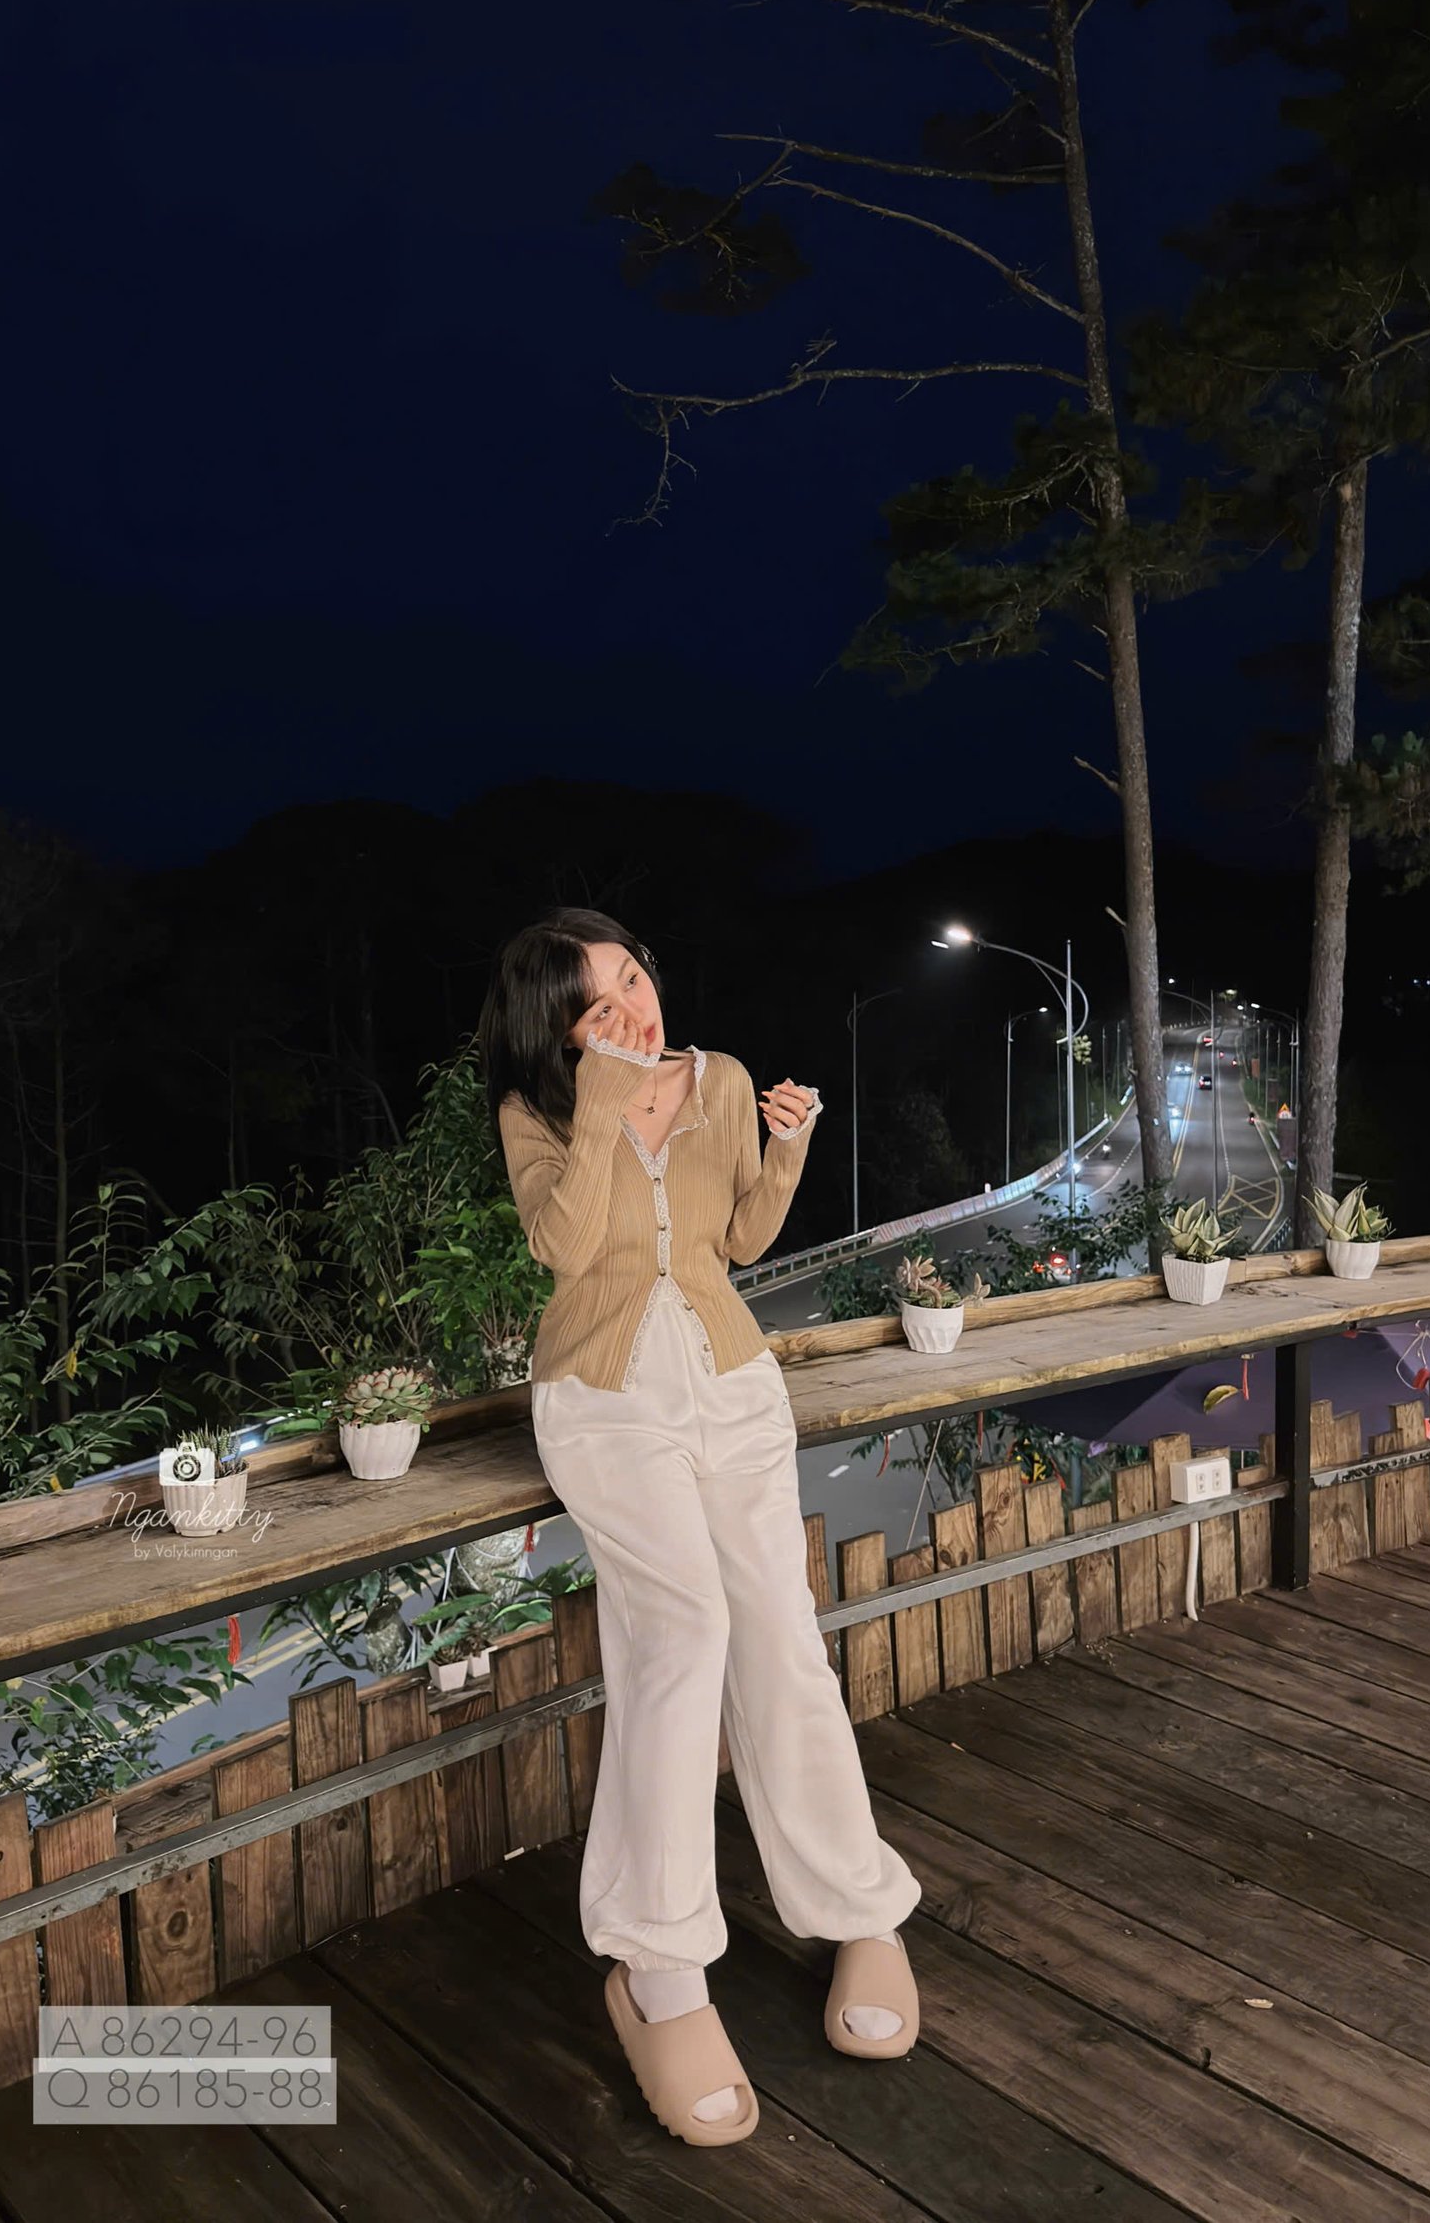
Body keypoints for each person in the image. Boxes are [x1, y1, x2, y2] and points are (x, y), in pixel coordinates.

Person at [477, 908, 922, 2148]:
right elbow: (566, 1248)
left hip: (732, 1387)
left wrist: (784, 1149)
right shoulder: (536, 1112)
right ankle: (657, 1965)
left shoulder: (717, 1077)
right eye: (595, 1003)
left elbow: (736, 1241)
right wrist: (602, 1100)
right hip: (604, 1400)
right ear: (558, 1030)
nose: (630, 1008)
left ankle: (856, 1907)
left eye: (631, 977)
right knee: (681, 1636)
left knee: (780, 1634)